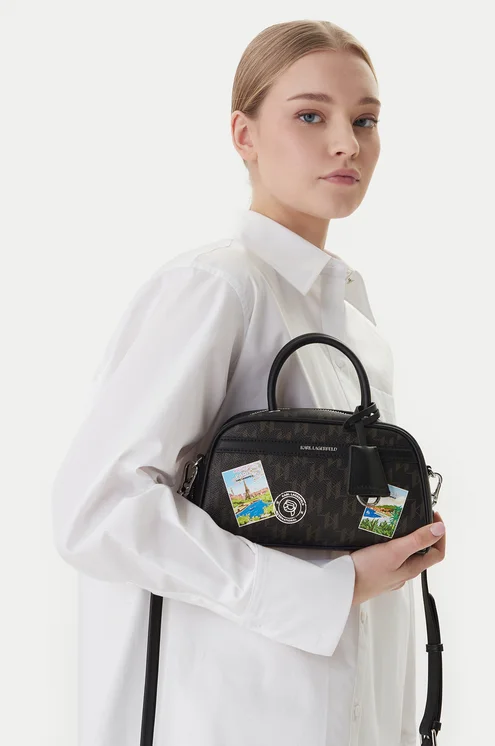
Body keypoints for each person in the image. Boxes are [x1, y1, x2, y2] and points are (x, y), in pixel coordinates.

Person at [50, 19, 446, 746]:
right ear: (244, 134)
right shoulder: (217, 287)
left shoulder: (352, 325)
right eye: (310, 116)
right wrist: (331, 590)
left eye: (364, 120)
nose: (346, 143)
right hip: (223, 714)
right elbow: (100, 510)